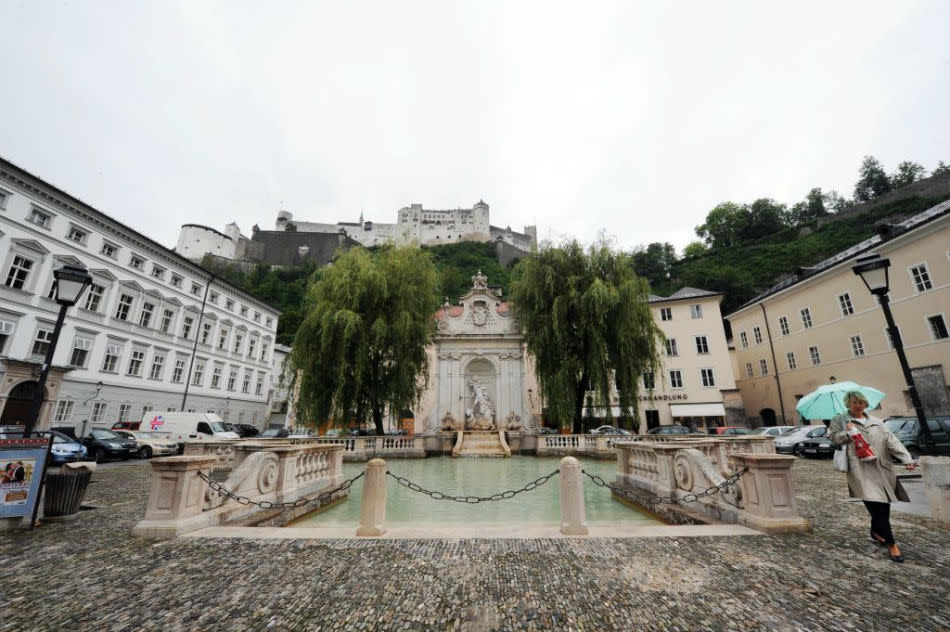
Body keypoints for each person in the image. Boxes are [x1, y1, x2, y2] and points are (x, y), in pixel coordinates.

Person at [829, 391, 918, 563]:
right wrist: (848, 433)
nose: (859, 405)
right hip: (860, 469)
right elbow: (833, 439)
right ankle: (892, 543)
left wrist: (907, 458)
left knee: (884, 505)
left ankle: (876, 531)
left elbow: (891, 440)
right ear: (848, 404)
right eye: (854, 402)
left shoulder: (876, 421)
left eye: (861, 402)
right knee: (876, 504)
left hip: (883, 467)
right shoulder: (840, 420)